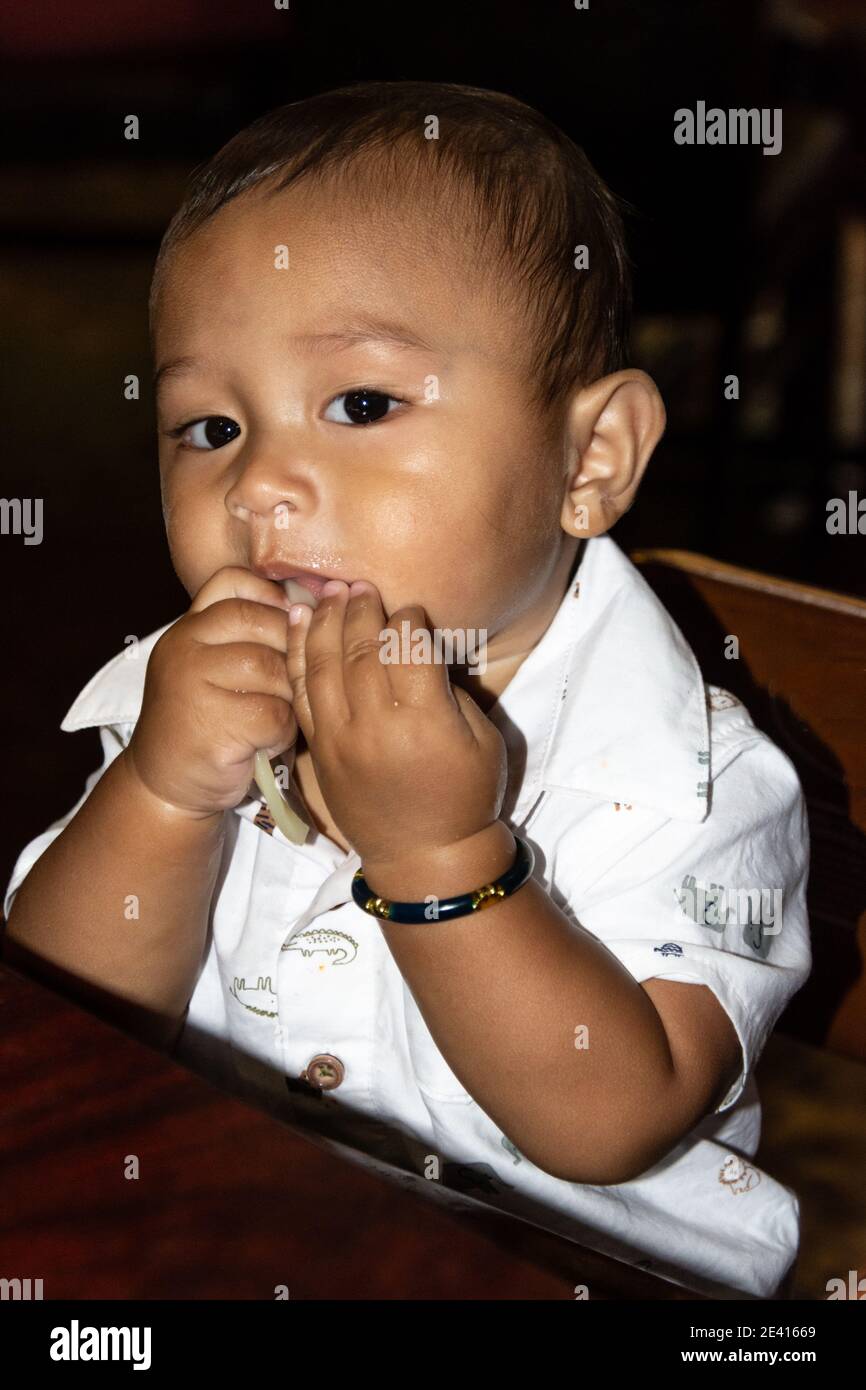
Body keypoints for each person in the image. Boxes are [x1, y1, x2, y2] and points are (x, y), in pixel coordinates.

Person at [2, 80, 810, 1298]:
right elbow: (66, 1015)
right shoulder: (192, 694)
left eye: (361, 404)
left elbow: (609, 1123)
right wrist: (162, 791)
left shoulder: (684, 777)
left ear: (587, 462)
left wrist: (441, 851)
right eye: (209, 428)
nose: (262, 481)